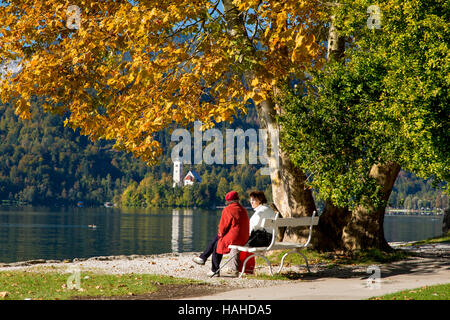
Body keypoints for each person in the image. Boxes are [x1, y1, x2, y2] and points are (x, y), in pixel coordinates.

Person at [192, 191, 249, 277]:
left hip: (235, 238)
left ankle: (214, 269)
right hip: (244, 238)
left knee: (218, 243)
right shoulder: (243, 209)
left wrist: (220, 235)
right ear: (237, 200)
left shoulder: (228, 209)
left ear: (228, 201)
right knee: (218, 239)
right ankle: (203, 258)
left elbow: (222, 227)